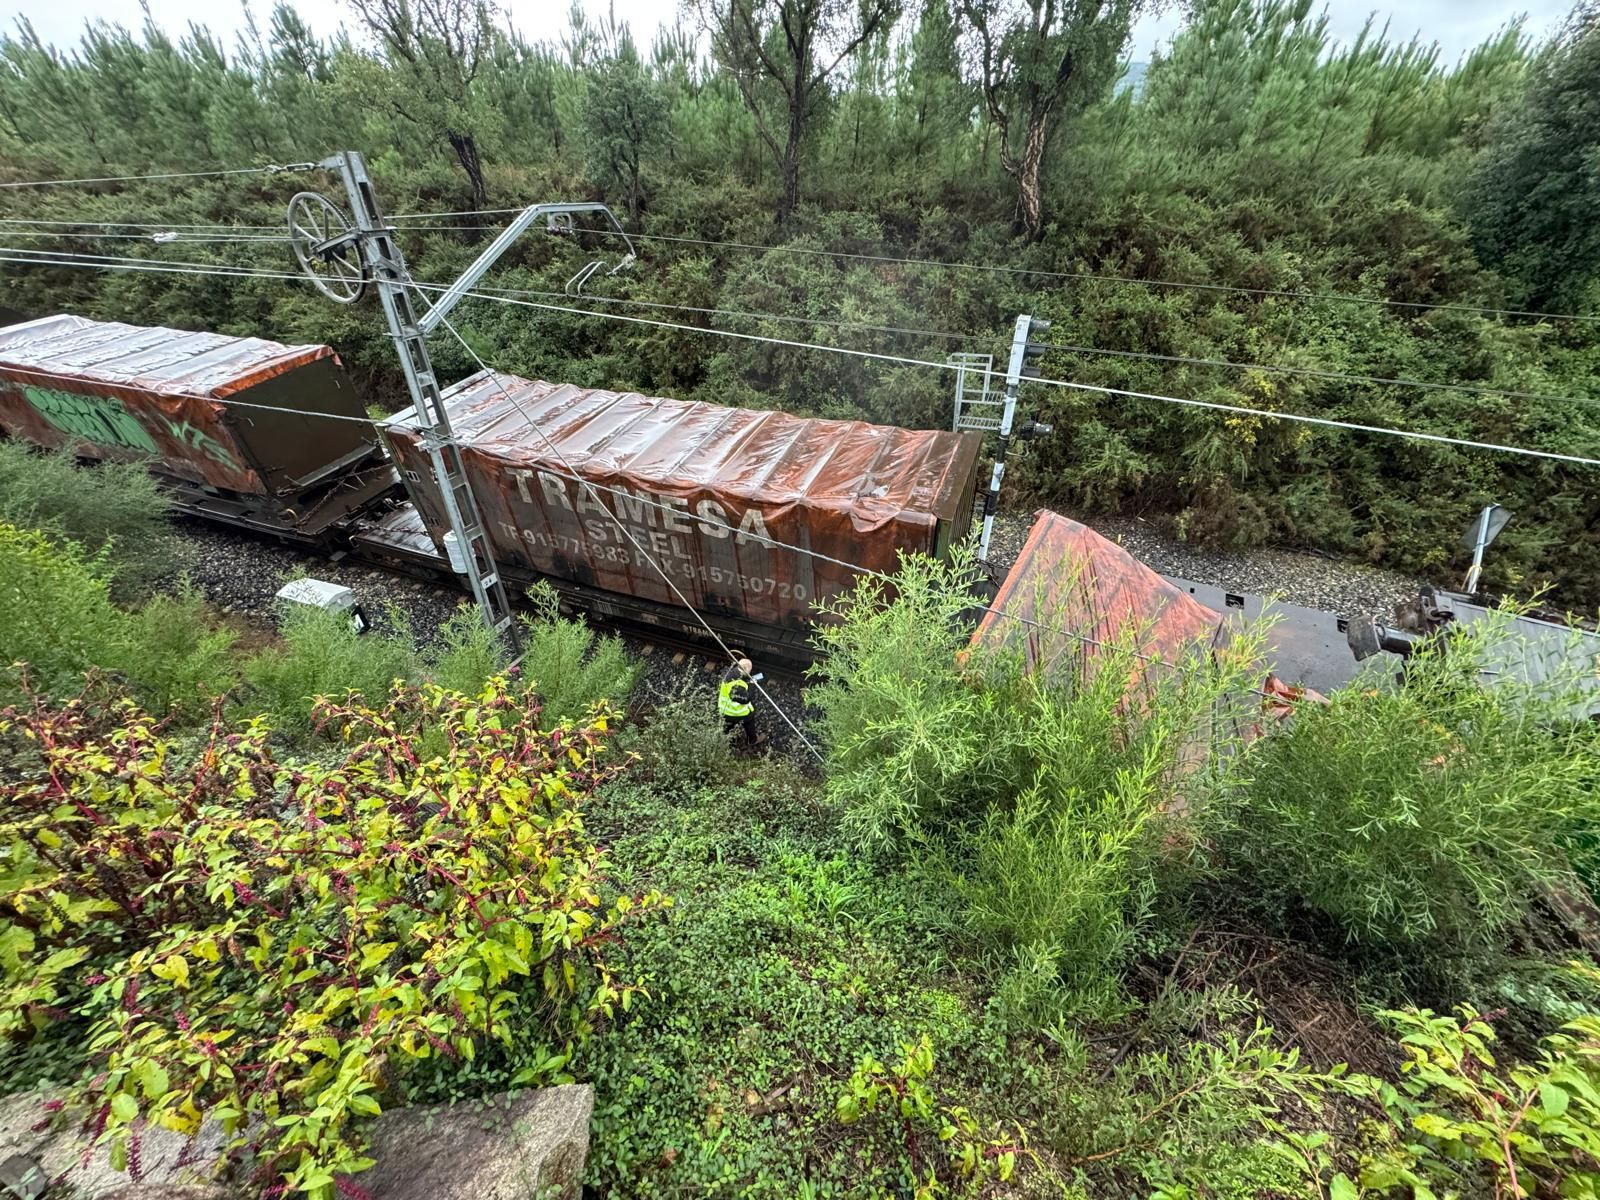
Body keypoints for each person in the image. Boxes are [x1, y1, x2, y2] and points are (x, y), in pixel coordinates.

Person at [718, 656, 763, 747]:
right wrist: (752, 685)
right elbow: (745, 699)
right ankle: (752, 740)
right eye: (749, 671)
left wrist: (747, 680)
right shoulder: (737, 685)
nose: (749, 672)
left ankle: (727, 741)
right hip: (733, 711)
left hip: (724, 709)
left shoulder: (731, 673)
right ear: (745, 669)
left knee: (728, 727)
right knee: (749, 719)